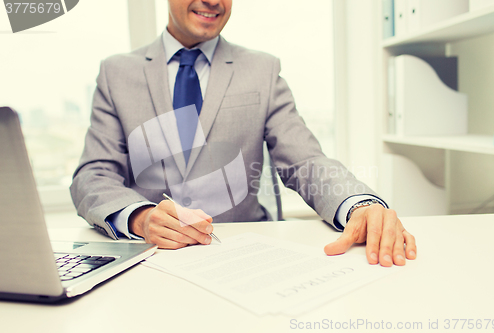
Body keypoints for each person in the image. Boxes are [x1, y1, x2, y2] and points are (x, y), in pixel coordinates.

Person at [71, 0, 416, 267]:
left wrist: (360, 204)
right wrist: (139, 216)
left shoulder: (262, 69)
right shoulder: (117, 73)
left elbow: (305, 160)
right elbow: (93, 174)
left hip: (244, 258)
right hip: (152, 260)